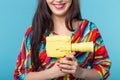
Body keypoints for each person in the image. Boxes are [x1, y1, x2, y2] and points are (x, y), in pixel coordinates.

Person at [14, 0, 111, 80]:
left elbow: (104, 68)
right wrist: (53, 72)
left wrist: (80, 72)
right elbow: (21, 75)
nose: (59, 0)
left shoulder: (89, 30)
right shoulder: (34, 32)